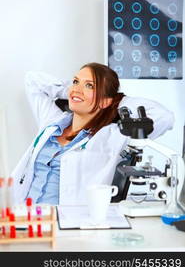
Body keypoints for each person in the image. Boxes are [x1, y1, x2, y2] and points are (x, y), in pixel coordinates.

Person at [11, 62, 174, 205]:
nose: (77, 88)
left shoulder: (112, 137)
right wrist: (73, 92)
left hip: (66, 224)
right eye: (76, 81)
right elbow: (32, 80)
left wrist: (117, 100)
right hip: (25, 217)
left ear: (105, 101)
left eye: (90, 85)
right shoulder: (52, 121)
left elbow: (165, 117)